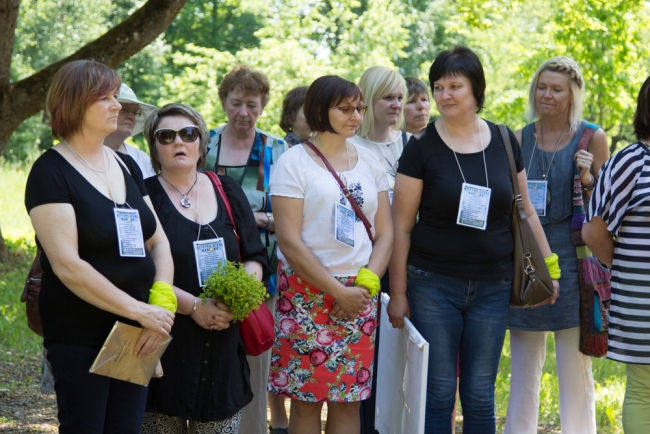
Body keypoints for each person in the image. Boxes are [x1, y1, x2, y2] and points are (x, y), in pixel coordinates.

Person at [387, 46, 559, 434]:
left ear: (476, 89)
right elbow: (401, 227)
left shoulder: (504, 139)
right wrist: (398, 293)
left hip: (493, 286)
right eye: (438, 87)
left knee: (481, 394)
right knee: (438, 392)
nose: (444, 95)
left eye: (455, 86)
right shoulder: (421, 148)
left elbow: (527, 212)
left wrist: (550, 267)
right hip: (433, 285)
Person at [24, 59, 175, 433]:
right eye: (105, 98)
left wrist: (160, 307)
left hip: (135, 332)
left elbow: (159, 241)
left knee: (126, 428)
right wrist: (141, 311)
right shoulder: (50, 171)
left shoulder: (127, 166)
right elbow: (67, 266)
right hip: (81, 334)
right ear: (75, 104)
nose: (117, 106)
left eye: (115, 97)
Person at [267, 75, 393, 434]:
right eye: (345, 108)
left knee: (349, 401)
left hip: (360, 291)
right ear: (321, 110)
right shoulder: (293, 162)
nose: (356, 116)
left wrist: (365, 286)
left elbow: (386, 233)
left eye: (359, 108)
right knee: (305, 401)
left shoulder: (370, 162)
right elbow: (289, 241)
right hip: (305, 291)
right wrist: (338, 292)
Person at [141, 103, 270, 433]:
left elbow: (256, 256)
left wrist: (236, 299)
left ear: (201, 143)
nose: (178, 142)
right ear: (154, 148)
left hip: (222, 353)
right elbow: (138, 273)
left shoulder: (227, 190)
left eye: (188, 134)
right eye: (166, 136)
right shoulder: (142, 196)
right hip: (165, 349)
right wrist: (196, 307)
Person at [505, 57, 609, 434]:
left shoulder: (591, 137)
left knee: (574, 368)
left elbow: (606, 208)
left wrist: (588, 176)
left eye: (556, 89)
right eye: (541, 87)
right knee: (523, 367)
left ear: (572, 95)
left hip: (576, 262)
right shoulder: (519, 138)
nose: (546, 95)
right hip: (529, 260)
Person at [204, 65, 288, 434]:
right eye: (236, 103)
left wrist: (254, 219)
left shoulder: (278, 150)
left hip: (262, 274)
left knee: (256, 363)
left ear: (263, 106)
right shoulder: (203, 144)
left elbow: (292, 215)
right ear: (223, 102)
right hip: (205, 272)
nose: (243, 112)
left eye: (252, 105)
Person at [583, 75, 650, 434]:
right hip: (642, 296)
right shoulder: (630, 162)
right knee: (644, 389)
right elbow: (593, 232)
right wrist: (626, 267)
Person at [349, 66, 410, 202]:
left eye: (400, 98)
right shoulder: (347, 145)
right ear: (368, 100)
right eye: (388, 97)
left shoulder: (411, 143)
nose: (397, 105)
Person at [104, 83, 157, 178]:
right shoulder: (83, 153)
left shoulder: (143, 160)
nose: (131, 117)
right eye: (124, 110)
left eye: (135, 112)